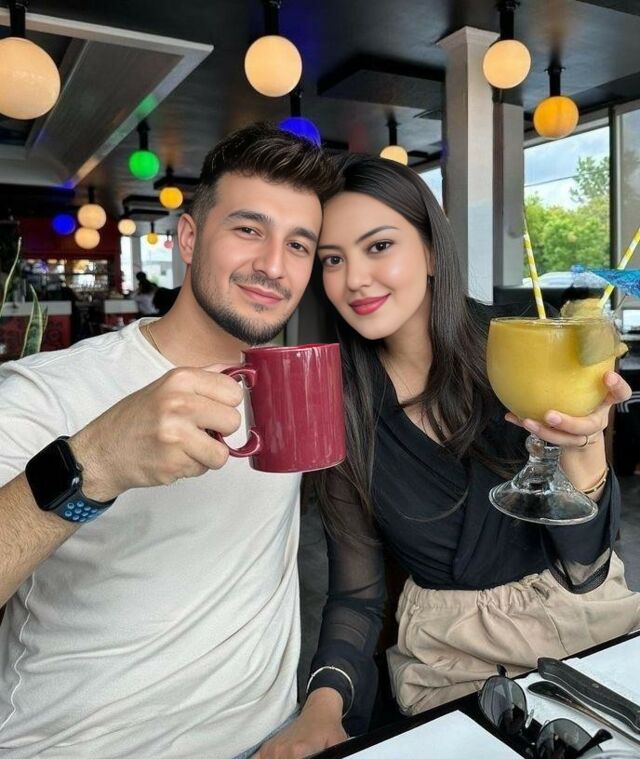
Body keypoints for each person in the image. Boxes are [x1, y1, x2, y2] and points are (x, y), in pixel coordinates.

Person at [258, 155, 640, 758]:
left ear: (433, 251)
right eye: (332, 259)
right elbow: (356, 596)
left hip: (586, 630)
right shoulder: (341, 408)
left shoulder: (522, 351)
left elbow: (586, 568)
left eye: (379, 246)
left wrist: (586, 444)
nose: (354, 278)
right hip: (452, 661)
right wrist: (321, 705)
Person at [0, 123, 336, 758]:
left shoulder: (292, 389)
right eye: (248, 230)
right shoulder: (49, 391)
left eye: (298, 245)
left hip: (264, 740)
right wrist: (94, 462)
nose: (273, 266)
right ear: (188, 238)